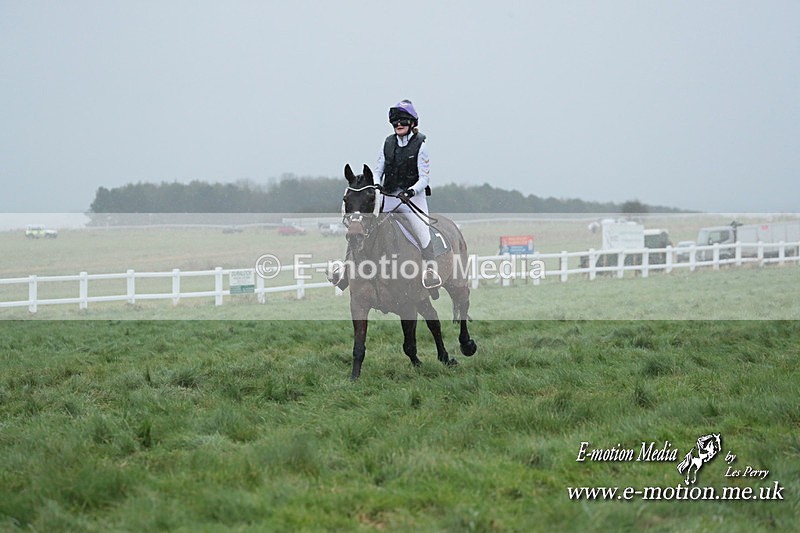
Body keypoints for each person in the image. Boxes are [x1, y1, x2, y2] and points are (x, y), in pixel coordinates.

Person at [328, 99, 441, 290]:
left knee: (422, 230)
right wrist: (377, 187)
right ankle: (346, 269)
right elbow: (378, 171)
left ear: (412, 123)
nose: (399, 125)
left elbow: (424, 179)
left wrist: (410, 191)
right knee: (362, 223)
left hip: (413, 197)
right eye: (396, 121)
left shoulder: (421, 145)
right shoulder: (387, 143)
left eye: (403, 121)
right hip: (388, 195)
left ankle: (430, 271)